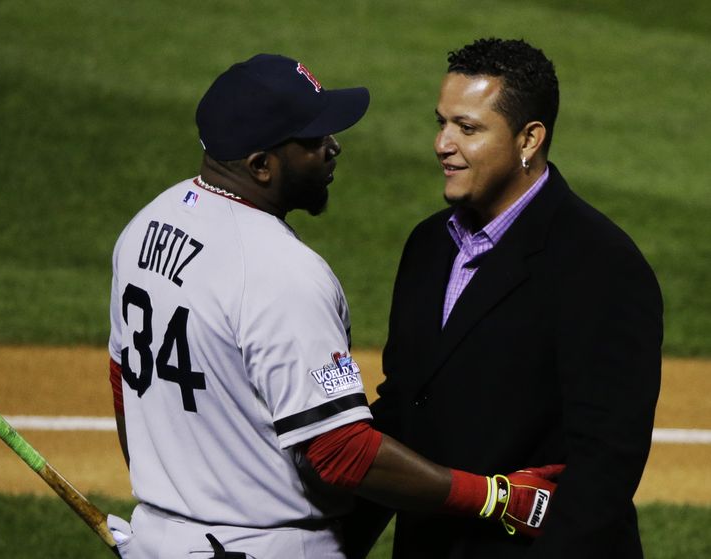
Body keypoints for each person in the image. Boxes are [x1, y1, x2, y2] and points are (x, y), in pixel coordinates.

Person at [104, 53, 563, 559]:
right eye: (312, 140)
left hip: (158, 537)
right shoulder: (280, 272)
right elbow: (341, 453)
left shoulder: (147, 225)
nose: (332, 147)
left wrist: (172, 509)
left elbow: (123, 383)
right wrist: (494, 499)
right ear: (261, 166)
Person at [344, 38, 664, 558]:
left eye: (467, 128)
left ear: (528, 139)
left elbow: (604, 467)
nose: (442, 144)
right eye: (441, 123)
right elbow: (406, 405)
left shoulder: (600, 265)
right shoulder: (429, 245)